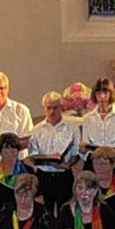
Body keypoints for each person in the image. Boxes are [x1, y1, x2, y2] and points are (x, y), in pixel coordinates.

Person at [27, 91, 80, 219]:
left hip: (64, 176)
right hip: (44, 177)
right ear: (44, 109)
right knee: (45, 213)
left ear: (61, 108)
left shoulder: (72, 128)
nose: (52, 111)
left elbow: (76, 154)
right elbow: (33, 156)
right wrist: (48, 160)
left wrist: (68, 164)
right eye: (48, 108)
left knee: (66, 213)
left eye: (55, 108)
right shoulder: (36, 130)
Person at [80, 77, 115, 184]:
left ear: (110, 94)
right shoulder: (88, 118)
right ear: (95, 95)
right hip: (93, 163)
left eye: (105, 93)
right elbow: (86, 143)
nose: (102, 97)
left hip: (114, 162)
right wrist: (84, 149)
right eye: (99, 93)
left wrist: (106, 158)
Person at [0, 132, 34, 219]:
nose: (10, 153)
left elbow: (36, 197)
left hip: (23, 214)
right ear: (0, 151)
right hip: (1, 216)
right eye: (6, 149)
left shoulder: (28, 171)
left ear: (18, 150)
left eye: (13, 149)